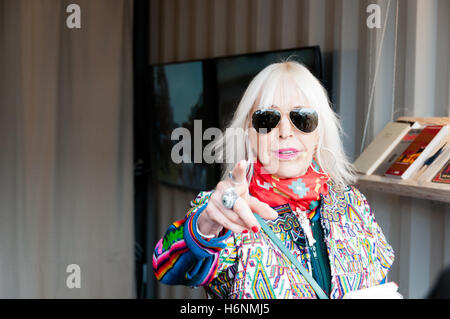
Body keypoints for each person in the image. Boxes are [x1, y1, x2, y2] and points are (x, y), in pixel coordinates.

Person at [152, 60, 395, 299]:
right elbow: (166, 266)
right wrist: (204, 225)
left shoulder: (353, 205)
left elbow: (378, 283)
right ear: (248, 132)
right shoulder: (228, 208)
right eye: (267, 119)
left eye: (302, 118)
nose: (286, 132)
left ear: (319, 131)